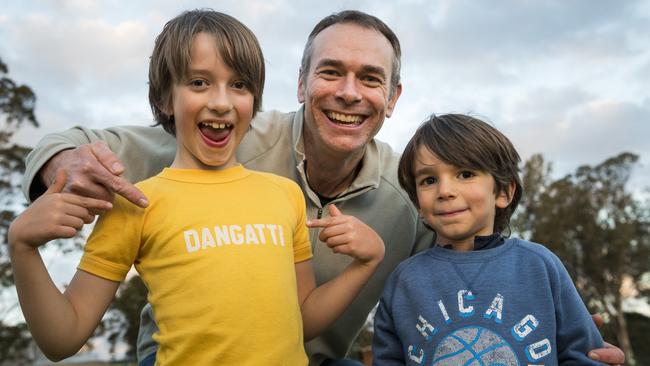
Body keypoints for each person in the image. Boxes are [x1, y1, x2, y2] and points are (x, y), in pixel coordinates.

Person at [20, 10, 624, 366]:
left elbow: (461, 282)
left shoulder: (411, 189)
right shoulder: (224, 137)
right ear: (303, 82)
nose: (349, 91)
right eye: (331, 71)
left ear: (392, 99)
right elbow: (79, 143)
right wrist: (64, 168)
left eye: (371, 78)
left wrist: (562, 343)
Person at [9, 9, 385, 365]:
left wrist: (364, 264)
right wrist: (22, 247)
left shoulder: (284, 194)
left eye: (238, 85)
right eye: (199, 83)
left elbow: (302, 320)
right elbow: (63, 339)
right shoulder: (136, 202)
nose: (221, 102)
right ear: (163, 98)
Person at [372, 113, 605, 365]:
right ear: (417, 203)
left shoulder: (539, 266)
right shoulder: (404, 280)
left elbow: (584, 354)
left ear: (504, 191)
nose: (445, 191)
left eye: (465, 174)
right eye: (429, 180)